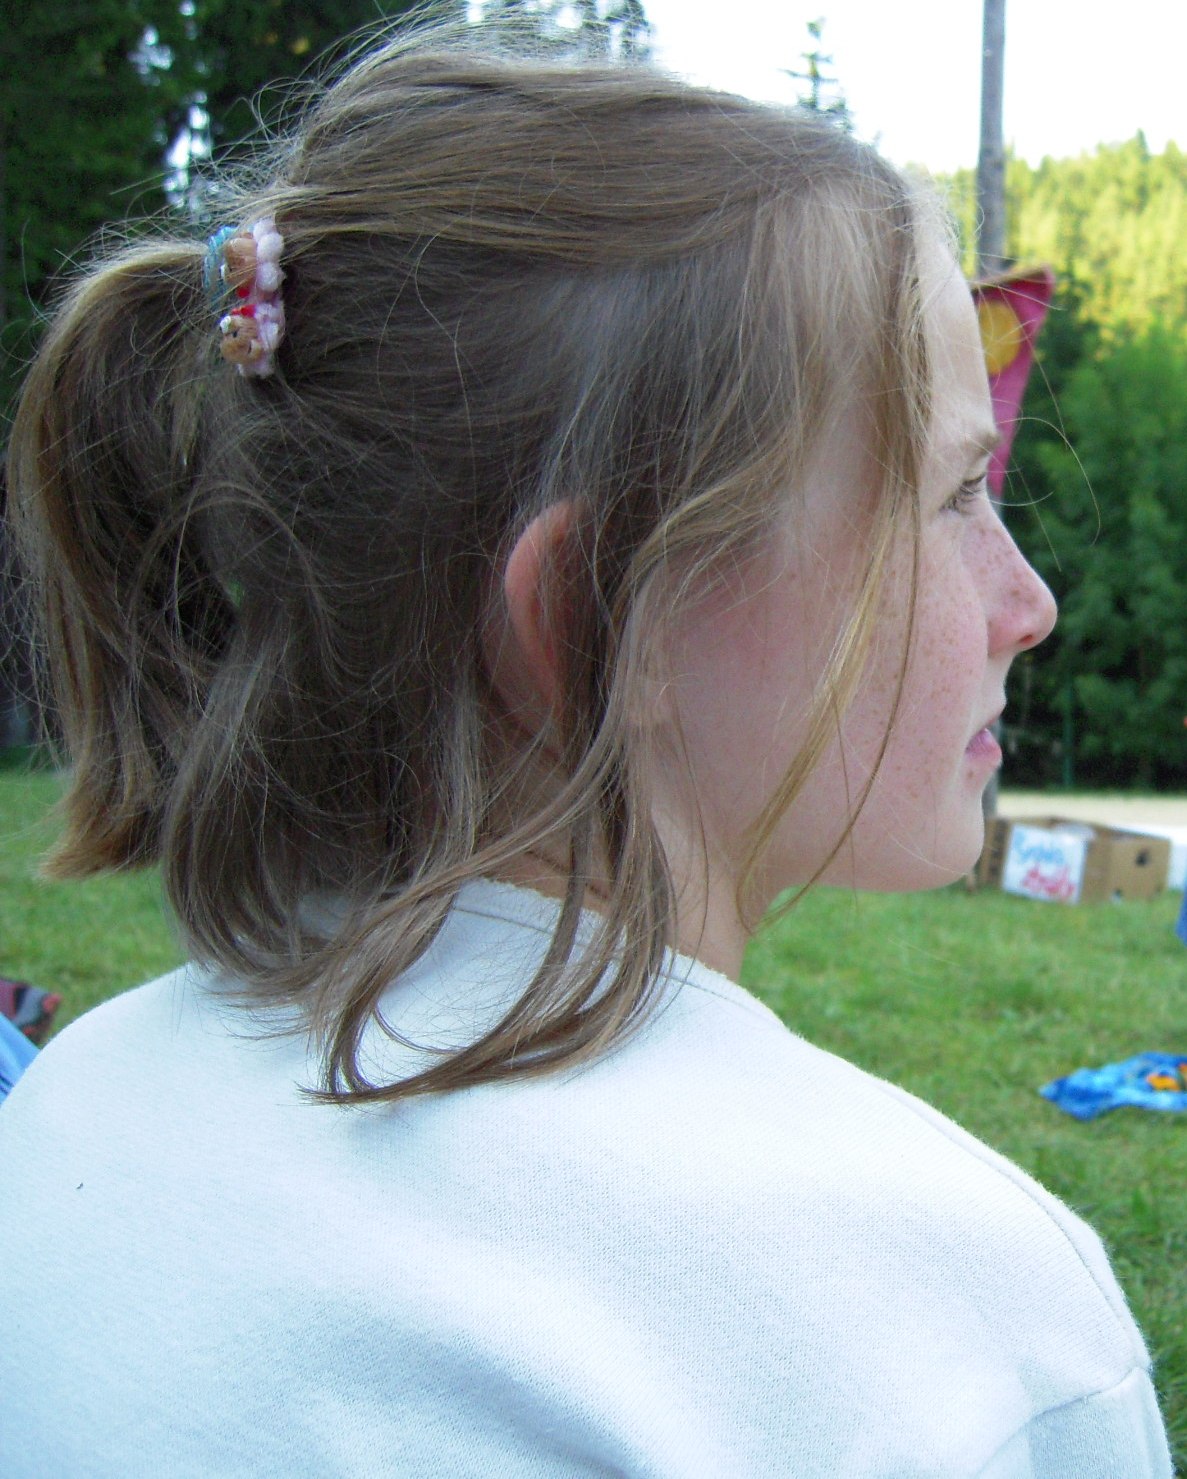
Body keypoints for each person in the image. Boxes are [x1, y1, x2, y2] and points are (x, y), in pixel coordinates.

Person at [0, 27, 1172, 1477]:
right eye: (948, 498)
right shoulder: (962, 1328)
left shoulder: (75, 1104)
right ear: (610, 614)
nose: (1030, 603)